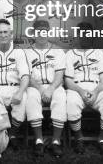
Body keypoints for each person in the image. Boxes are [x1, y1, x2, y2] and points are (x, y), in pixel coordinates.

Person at [64, 22, 103, 155]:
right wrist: (81, 91)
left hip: (97, 88)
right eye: (81, 34)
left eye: (88, 35)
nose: (85, 37)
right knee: (70, 103)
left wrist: (95, 92)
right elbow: (68, 80)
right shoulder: (70, 54)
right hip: (77, 88)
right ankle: (79, 138)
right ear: (77, 36)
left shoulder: (98, 53)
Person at [0, 19, 29, 149]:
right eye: (0, 33)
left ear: (11, 34)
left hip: (14, 87)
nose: (3, 35)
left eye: (5, 32)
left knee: (23, 98)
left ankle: (12, 134)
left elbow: (25, 75)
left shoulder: (18, 51)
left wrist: (20, 92)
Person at [24, 20, 67, 158]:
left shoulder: (58, 51)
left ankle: (56, 141)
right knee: (31, 97)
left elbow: (60, 75)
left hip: (54, 85)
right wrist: (41, 89)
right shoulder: (26, 52)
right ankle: (38, 140)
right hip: (35, 86)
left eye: (45, 31)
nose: (42, 34)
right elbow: (27, 76)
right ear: (33, 34)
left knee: (60, 97)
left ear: (49, 32)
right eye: (38, 31)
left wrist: (50, 89)